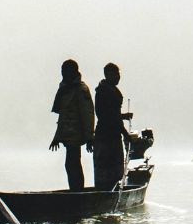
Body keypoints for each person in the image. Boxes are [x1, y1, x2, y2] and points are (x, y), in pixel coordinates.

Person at [48, 59, 95, 190]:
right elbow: (63, 116)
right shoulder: (65, 89)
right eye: (62, 71)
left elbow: (88, 115)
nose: (63, 74)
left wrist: (89, 137)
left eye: (65, 71)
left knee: (73, 163)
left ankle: (77, 192)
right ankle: (75, 190)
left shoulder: (81, 90)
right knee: (70, 164)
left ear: (73, 72)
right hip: (68, 134)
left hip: (76, 134)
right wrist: (57, 137)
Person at [93, 63, 133, 190]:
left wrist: (123, 116)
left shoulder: (103, 90)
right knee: (113, 172)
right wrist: (126, 134)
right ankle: (112, 198)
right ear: (107, 75)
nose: (118, 77)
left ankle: (104, 196)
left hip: (102, 136)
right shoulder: (108, 92)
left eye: (118, 74)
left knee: (103, 172)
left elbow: (109, 115)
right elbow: (110, 117)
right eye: (115, 74)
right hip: (109, 138)